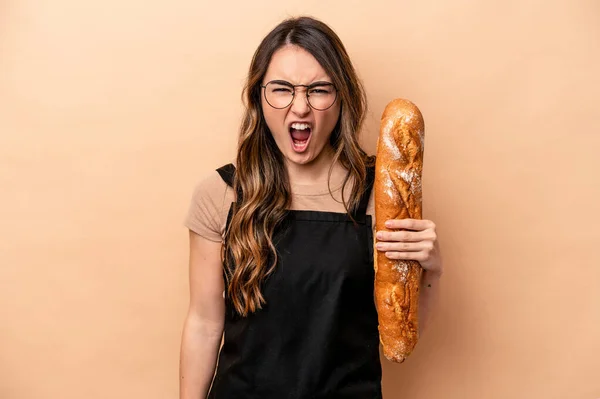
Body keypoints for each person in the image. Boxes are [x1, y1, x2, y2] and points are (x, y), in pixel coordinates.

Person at [179, 16, 443, 399]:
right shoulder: (220, 194)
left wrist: (432, 268)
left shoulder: (381, 196)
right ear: (259, 96)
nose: (300, 107)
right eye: (282, 89)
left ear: (342, 98)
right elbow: (204, 323)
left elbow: (398, 341)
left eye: (319, 90)